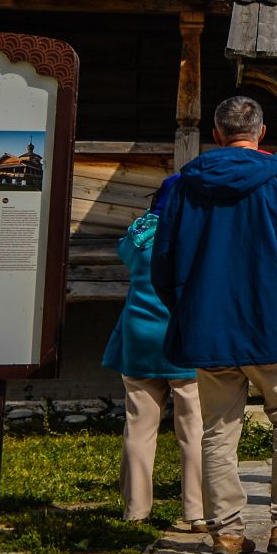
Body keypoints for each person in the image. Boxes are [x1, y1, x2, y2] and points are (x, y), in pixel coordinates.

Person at [152, 95, 277, 554]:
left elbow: (162, 263)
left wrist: (188, 307)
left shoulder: (182, 186)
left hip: (210, 329)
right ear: (260, 134)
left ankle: (228, 532)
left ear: (216, 135)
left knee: (217, 429)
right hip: (274, 324)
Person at [103, 175, 204, 530]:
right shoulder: (193, 235)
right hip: (183, 337)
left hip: (140, 337)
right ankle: (195, 510)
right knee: (193, 426)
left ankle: (136, 509)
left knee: (139, 425)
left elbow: (125, 254)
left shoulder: (140, 234)